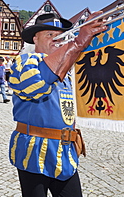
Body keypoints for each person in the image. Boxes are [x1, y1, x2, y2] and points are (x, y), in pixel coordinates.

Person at [8, 12, 107, 196]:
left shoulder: (69, 70)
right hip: (34, 152)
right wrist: (77, 44)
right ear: (35, 39)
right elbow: (37, 84)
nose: (57, 39)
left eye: (60, 36)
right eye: (50, 35)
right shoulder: (25, 61)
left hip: (65, 153)